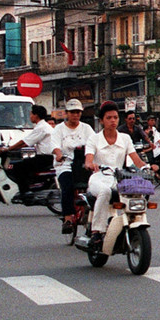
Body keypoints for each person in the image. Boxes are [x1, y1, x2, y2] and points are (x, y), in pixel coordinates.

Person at [84, 101, 155, 252]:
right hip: (99, 177)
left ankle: (129, 223)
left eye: (115, 117)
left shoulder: (125, 138)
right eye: (109, 118)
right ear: (102, 120)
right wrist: (91, 164)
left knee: (137, 191)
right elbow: (88, 159)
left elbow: (135, 158)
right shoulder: (94, 139)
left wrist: (147, 167)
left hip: (119, 178)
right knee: (105, 192)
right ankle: (97, 232)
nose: (113, 121)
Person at [52, 99, 95, 234]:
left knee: (95, 186)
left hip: (83, 164)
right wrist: (58, 154)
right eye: (72, 112)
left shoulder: (86, 128)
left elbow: (94, 144)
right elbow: (55, 146)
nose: (75, 115)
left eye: (78, 112)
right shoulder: (59, 129)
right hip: (65, 164)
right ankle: (68, 218)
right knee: (67, 187)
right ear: (66, 113)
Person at [0, 104, 57, 193]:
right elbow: (26, 142)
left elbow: (24, 142)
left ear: (36, 115)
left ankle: (24, 191)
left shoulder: (41, 127)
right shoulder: (42, 126)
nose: (30, 117)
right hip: (46, 157)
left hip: (45, 158)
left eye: (31, 114)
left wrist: (8, 149)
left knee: (17, 167)